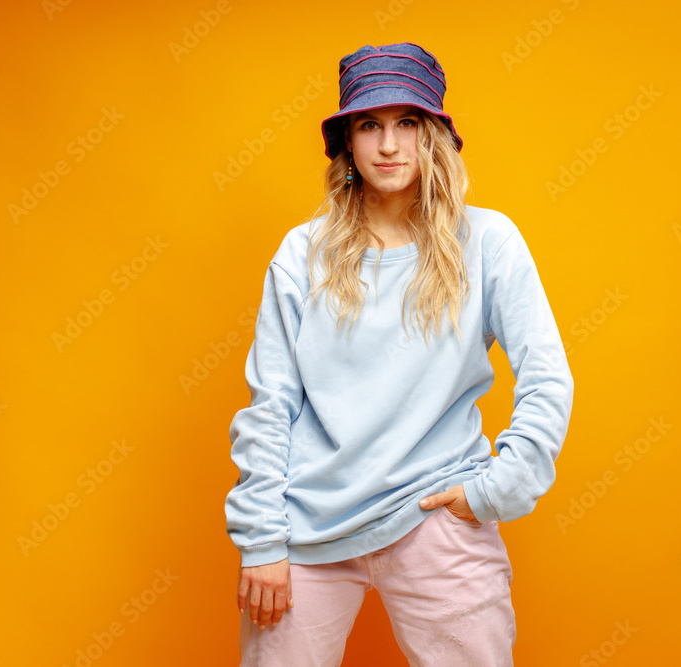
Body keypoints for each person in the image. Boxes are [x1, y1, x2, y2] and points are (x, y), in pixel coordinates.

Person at [224, 42, 574, 666]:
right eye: (369, 125)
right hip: (307, 528)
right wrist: (260, 541)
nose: (389, 145)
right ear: (348, 144)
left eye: (407, 123)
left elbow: (546, 376)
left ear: (433, 135)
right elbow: (271, 404)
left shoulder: (488, 240)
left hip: (438, 514)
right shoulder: (302, 253)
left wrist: (500, 488)